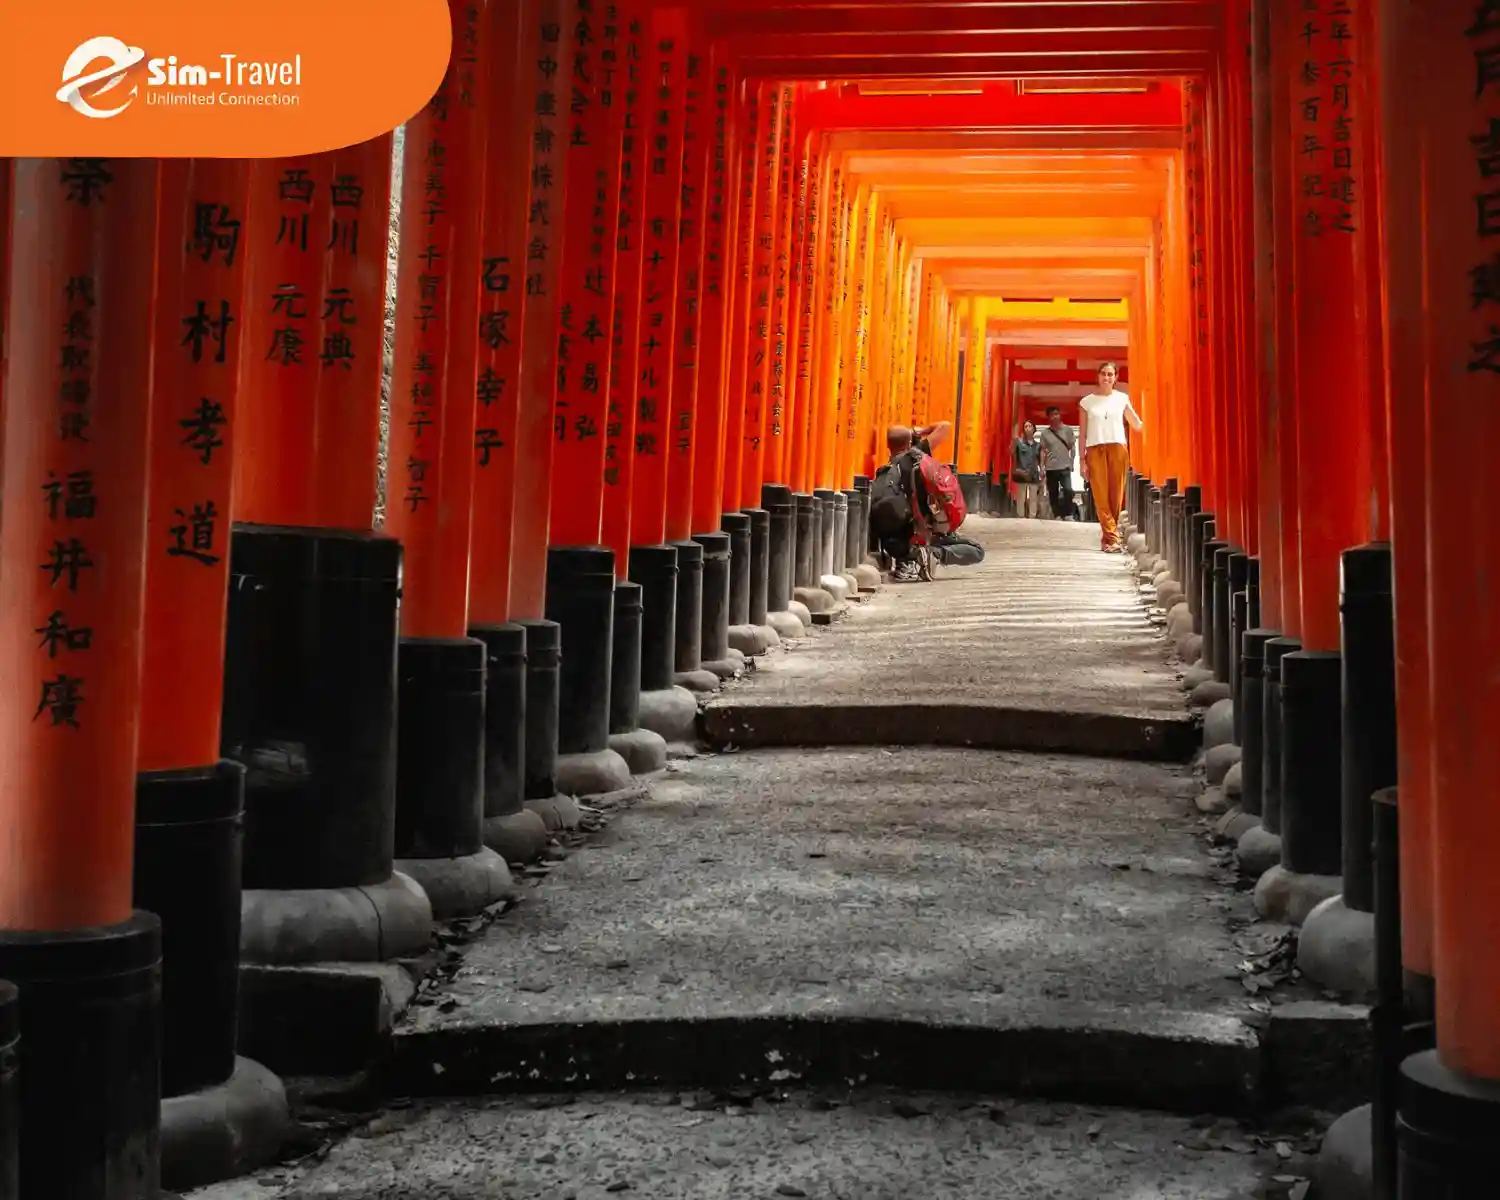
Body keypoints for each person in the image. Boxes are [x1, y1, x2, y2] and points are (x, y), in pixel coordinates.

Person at [869, 420, 952, 581]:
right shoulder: (914, 456)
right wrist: (919, 431)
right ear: (908, 443)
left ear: (888, 445)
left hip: (892, 533)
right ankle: (929, 554)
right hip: (914, 526)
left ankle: (910, 558)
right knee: (976, 551)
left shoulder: (883, 470)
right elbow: (945, 426)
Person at [1078, 361, 1144, 552]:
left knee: (1116, 495)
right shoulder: (1086, 402)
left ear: (1116, 378)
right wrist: (1082, 461)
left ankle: (1108, 539)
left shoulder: (1122, 398)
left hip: (1118, 448)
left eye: (1110, 374)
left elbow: (1136, 423)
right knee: (1100, 495)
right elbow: (1082, 433)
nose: (1107, 378)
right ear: (1097, 377)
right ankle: (1113, 538)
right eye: (1103, 374)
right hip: (1094, 449)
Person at [1038, 406, 1078, 520]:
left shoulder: (1067, 430)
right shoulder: (1045, 433)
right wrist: (1041, 467)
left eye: (1056, 414)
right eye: (1052, 415)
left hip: (1065, 466)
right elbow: (1043, 451)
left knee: (1068, 490)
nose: (1055, 416)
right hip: (1051, 467)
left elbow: (1072, 447)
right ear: (1048, 417)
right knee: (1053, 492)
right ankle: (1057, 514)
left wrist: (1072, 461)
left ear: (1060, 415)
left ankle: (1068, 514)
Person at [1011, 421, 1043, 518]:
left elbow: (1040, 460)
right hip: (1022, 473)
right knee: (1021, 497)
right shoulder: (1019, 443)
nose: (1028, 428)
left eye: (1030, 426)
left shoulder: (1038, 445)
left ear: (1034, 429)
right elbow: (1012, 452)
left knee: (1033, 497)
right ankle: (1021, 516)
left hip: (1033, 474)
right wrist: (1014, 442)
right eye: (1025, 426)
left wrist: (1042, 470)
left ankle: (1032, 516)